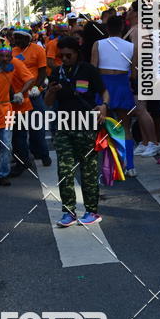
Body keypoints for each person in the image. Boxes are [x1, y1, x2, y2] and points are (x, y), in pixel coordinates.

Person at [46, 36, 108, 226]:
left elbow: (104, 91)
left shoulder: (88, 70)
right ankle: (68, 212)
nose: (64, 59)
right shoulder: (56, 72)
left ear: (76, 53)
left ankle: (91, 211)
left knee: (88, 170)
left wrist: (104, 105)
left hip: (86, 126)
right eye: (61, 56)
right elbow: (48, 103)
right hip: (64, 126)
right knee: (64, 170)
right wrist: (52, 91)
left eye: (68, 55)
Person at [91, 15, 137, 177]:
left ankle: (109, 167)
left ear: (107, 28)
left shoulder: (98, 44)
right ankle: (130, 165)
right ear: (123, 28)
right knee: (125, 127)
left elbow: (93, 69)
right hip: (122, 85)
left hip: (104, 86)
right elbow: (135, 73)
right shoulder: (131, 46)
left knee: (105, 127)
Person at [0, 38, 34, 185]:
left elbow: (29, 80)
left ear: (11, 56)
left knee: (7, 145)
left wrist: (20, 93)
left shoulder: (14, 66)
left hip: (8, 113)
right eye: (1, 56)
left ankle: (3, 174)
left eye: (7, 56)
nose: (5, 59)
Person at [124, 1, 160, 157]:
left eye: (130, 9)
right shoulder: (136, 29)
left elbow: (139, 52)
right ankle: (145, 141)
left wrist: (134, 72)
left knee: (141, 109)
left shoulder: (138, 29)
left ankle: (154, 142)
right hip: (142, 73)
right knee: (140, 110)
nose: (127, 12)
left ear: (136, 12)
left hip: (141, 73)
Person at [11, 27, 51, 170]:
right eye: (17, 37)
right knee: (18, 129)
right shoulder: (12, 52)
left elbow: (42, 72)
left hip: (34, 93)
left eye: (22, 37)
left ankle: (43, 154)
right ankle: (21, 158)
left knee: (37, 127)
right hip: (19, 95)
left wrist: (36, 87)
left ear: (29, 38)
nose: (18, 40)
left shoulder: (38, 50)